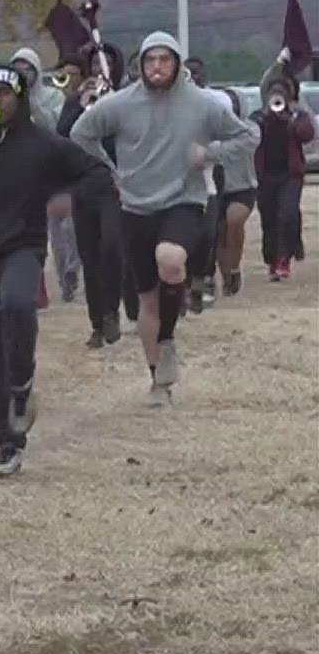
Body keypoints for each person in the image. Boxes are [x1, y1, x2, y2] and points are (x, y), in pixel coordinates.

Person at [0, 68, 112, 476]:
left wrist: (69, 198)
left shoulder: (43, 144)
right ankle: (7, 440)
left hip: (23, 247)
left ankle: (23, 382)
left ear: (21, 98)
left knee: (16, 303)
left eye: (4, 94)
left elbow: (98, 174)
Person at [70, 32, 258, 407]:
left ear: (177, 63)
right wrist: (110, 168)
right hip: (135, 207)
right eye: (150, 59)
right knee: (146, 301)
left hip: (183, 200)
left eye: (165, 59)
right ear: (140, 64)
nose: (157, 66)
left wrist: (210, 153)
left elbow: (250, 134)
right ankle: (159, 380)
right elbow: (80, 132)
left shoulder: (203, 104)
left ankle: (168, 338)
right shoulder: (120, 104)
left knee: (171, 260)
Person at [59, 41, 138, 344]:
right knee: (89, 255)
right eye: (91, 65)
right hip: (84, 185)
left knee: (113, 247)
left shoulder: (126, 101)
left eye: (101, 65)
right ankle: (97, 322)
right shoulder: (76, 100)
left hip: (116, 186)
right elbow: (64, 134)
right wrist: (81, 103)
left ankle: (113, 311)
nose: (96, 71)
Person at [12, 47, 83, 304]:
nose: (23, 73)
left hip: (53, 167)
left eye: (28, 68)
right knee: (43, 229)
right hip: (21, 168)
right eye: (18, 68)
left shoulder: (54, 96)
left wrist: (28, 102)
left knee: (66, 226)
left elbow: (53, 127)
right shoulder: (6, 97)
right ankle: (51, 282)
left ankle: (71, 271)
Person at [251, 61, 311, 283]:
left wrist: (290, 121)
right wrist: (265, 118)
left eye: (281, 94)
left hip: (290, 175)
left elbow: (307, 134)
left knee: (287, 214)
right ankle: (272, 260)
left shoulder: (297, 116)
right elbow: (249, 136)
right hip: (265, 175)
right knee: (269, 218)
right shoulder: (259, 116)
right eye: (273, 95)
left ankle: (285, 257)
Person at [201, 89, 257, 301]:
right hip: (214, 188)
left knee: (233, 222)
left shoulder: (250, 129)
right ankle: (216, 276)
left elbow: (245, 145)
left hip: (242, 187)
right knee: (215, 233)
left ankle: (233, 269)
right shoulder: (206, 131)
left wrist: (209, 151)